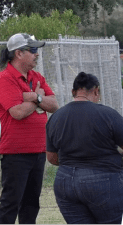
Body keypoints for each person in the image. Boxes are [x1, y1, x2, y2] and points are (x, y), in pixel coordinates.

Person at [46, 72, 123, 224]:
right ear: (96, 91)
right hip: (104, 180)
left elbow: (52, 158)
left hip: (65, 182)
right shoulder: (108, 114)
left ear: (73, 92)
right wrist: (119, 153)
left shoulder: (56, 117)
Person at [0, 33, 59, 224]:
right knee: (10, 204)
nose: (37, 54)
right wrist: (38, 97)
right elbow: (17, 112)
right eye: (32, 50)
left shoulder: (36, 77)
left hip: (38, 151)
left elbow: (54, 105)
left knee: (31, 205)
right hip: (16, 153)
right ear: (18, 53)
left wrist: (34, 97)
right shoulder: (5, 78)